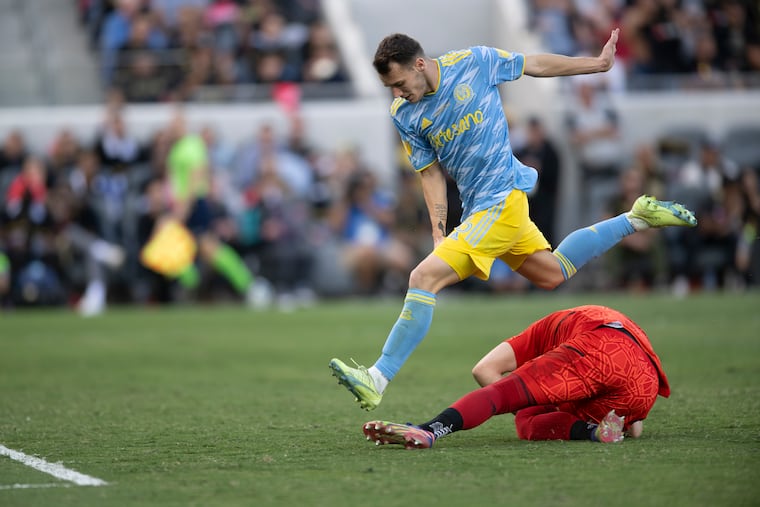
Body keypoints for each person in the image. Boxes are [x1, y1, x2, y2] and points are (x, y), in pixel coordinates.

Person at [329, 30, 697, 411]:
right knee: (552, 272)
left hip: (502, 199)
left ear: (419, 64)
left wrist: (597, 64)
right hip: (482, 209)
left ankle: (377, 377)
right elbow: (431, 174)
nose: (397, 93)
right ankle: (636, 217)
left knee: (423, 278)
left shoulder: (473, 63)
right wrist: (439, 233)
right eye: (390, 87)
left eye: (400, 83)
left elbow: (533, 64)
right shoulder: (403, 114)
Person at [362, 304, 669, 448]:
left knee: (516, 411)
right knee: (613, 421)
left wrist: (524, 400)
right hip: (644, 386)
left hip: (601, 350)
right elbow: (637, 426)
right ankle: (597, 432)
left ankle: (430, 430)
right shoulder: (570, 324)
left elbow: (484, 371)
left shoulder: (539, 335)